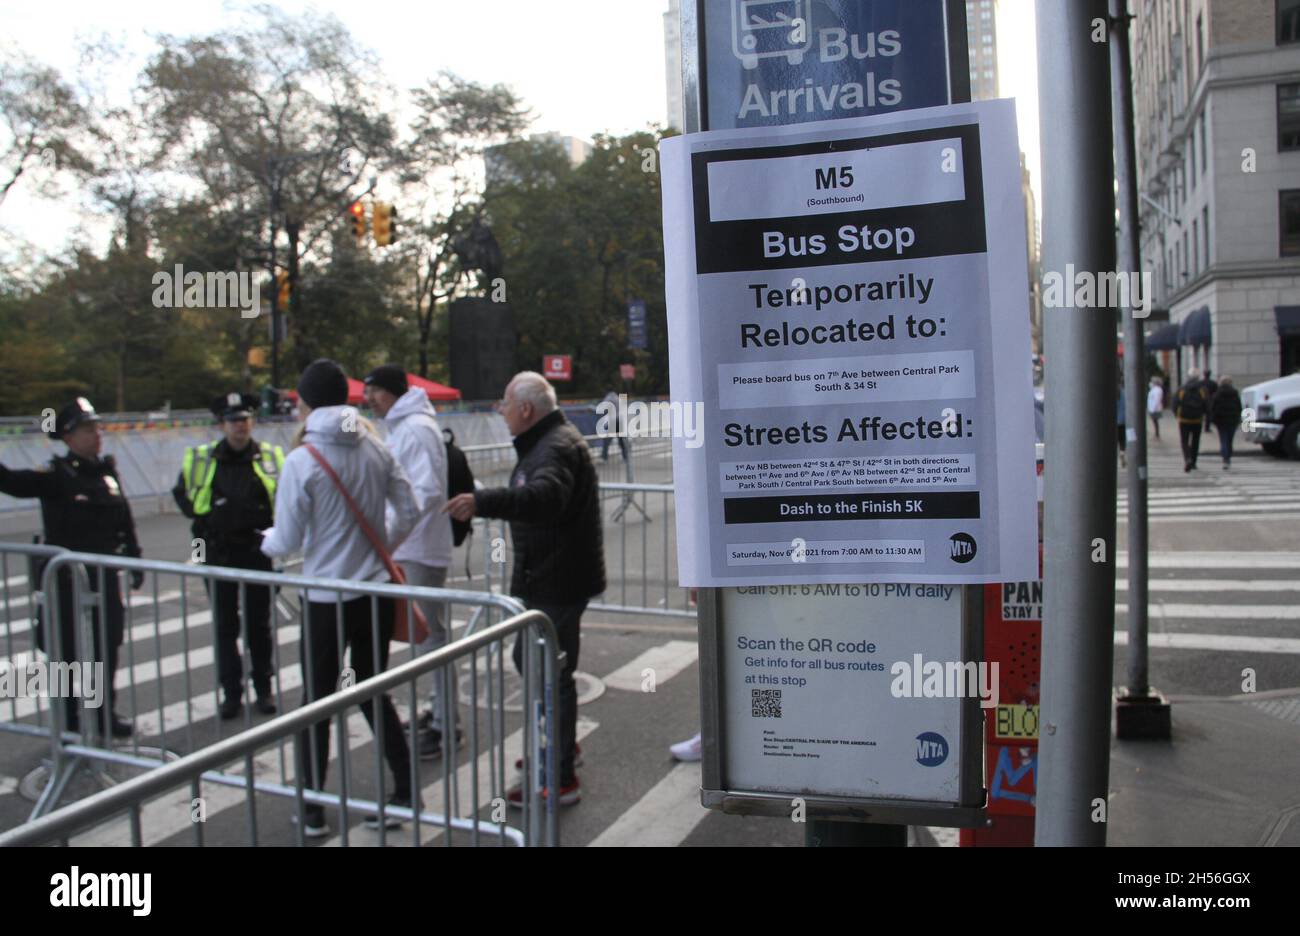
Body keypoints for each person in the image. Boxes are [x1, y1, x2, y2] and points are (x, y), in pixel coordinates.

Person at [260, 359, 421, 838]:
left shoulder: (302, 461)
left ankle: (312, 806)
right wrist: (381, 550)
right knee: (373, 692)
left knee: (318, 701)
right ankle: (407, 789)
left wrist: (263, 541)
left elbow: (286, 541)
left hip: (327, 597)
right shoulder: (373, 446)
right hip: (372, 590)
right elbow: (409, 509)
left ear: (307, 403)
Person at [445, 371, 605, 806]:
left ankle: (559, 776)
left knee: (548, 672)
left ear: (527, 410)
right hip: (551, 576)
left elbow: (544, 498)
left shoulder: (552, 448)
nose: (500, 410)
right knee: (539, 665)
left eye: (505, 402)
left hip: (557, 581)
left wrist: (483, 501)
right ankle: (560, 747)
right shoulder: (550, 442)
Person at [0, 398, 141, 737]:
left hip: (103, 577)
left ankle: (104, 713)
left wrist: (135, 559)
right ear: (68, 436)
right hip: (65, 580)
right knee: (65, 651)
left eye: (97, 427)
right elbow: (11, 482)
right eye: (88, 429)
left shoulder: (107, 471)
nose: (97, 434)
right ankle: (69, 721)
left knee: (106, 646)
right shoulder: (55, 475)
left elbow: (124, 520)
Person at [363, 365, 459, 760]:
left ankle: (446, 726)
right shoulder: (404, 425)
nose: (369, 400)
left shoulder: (415, 428)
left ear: (392, 392)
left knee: (432, 640)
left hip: (420, 548)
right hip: (412, 547)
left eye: (374, 393)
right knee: (425, 639)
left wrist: (389, 534)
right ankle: (437, 713)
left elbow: (426, 491)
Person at [173, 392, 284, 720]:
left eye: (246, 419)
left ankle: (264, 689)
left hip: (256, 550)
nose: (241, 425)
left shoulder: (269, 456)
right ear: (222, 424)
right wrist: (204, 516)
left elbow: (285, 493)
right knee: (225, 625)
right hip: (216, 550)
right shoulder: (204, 458)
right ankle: (231, 693)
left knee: (259, 625)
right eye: (234, 420)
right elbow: (182, 494)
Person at [1174, 369, 1209, 472]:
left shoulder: (1182, 389)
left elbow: (1175, 403)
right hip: (1197, 419)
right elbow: (1207, 404)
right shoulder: (1202, 389)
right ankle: (1193, 462)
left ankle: (1187, 458)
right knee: (1195, 441)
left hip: (1184, 419)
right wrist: (1206, 416)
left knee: (1184, 441)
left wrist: (1176, 414)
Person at [1210, 376, 1243, 469]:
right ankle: (1228, 455)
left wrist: (1213, 419)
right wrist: (1239, 418)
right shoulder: (1235, 393)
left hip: (1221, 420)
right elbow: (1239, 407)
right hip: (1232, 420)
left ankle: (1225, 458)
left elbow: (1213, 408)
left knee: (1223, 439)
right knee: (1230, 439)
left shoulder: (1217, 394)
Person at [598, 388, 628, 463]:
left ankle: (604, 457)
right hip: (619, 419)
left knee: (607, 440)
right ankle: (625, 457)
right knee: (621, 440)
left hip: (613, 420)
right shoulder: (617, 397)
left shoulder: (608, 397)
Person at [1116, 382, 1127, 469]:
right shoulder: (1124, 393)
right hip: (1123, 421)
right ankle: (1122, 452)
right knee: (1122, 440)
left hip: (1113, 422)